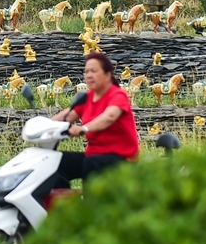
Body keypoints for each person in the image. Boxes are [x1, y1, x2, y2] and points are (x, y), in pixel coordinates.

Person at [51, 52, 140, 183]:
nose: (89, 75)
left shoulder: (118, 95)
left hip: (122, 158)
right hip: (94, 155)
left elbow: (109, 116)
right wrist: (43, 124)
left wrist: (84, 128)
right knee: (56, 161)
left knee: (91, 163)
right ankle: (61, 201)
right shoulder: (87, 97)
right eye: (86, 72)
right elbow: (68, 115)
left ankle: (90, 202)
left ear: (107, 75)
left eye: (94, 71)